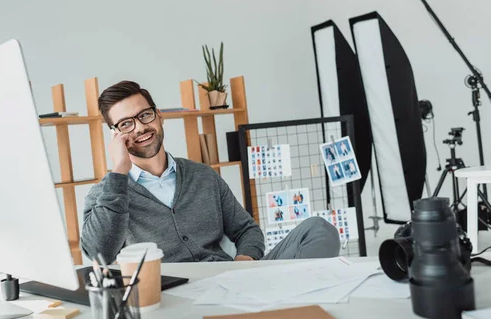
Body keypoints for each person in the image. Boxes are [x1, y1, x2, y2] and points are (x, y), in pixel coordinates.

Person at [81, 81, 340, 263]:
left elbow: (246, 229)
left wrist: (244, 259)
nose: (139, 128)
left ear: (159, 117)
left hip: (231, 280)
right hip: (172, 298)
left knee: (318, 229)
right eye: (126, 123)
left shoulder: (203, 176)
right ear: (116, 135)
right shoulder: (106, 193)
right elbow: (99, 255)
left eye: (145, 115)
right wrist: (118, 172)